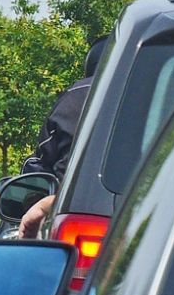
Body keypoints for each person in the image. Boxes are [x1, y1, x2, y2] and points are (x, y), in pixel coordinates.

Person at [18, 35, 109, 237]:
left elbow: (40, 161)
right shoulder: (149, 95)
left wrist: (37, 203)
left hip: (69, 211)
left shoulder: (74, 95)